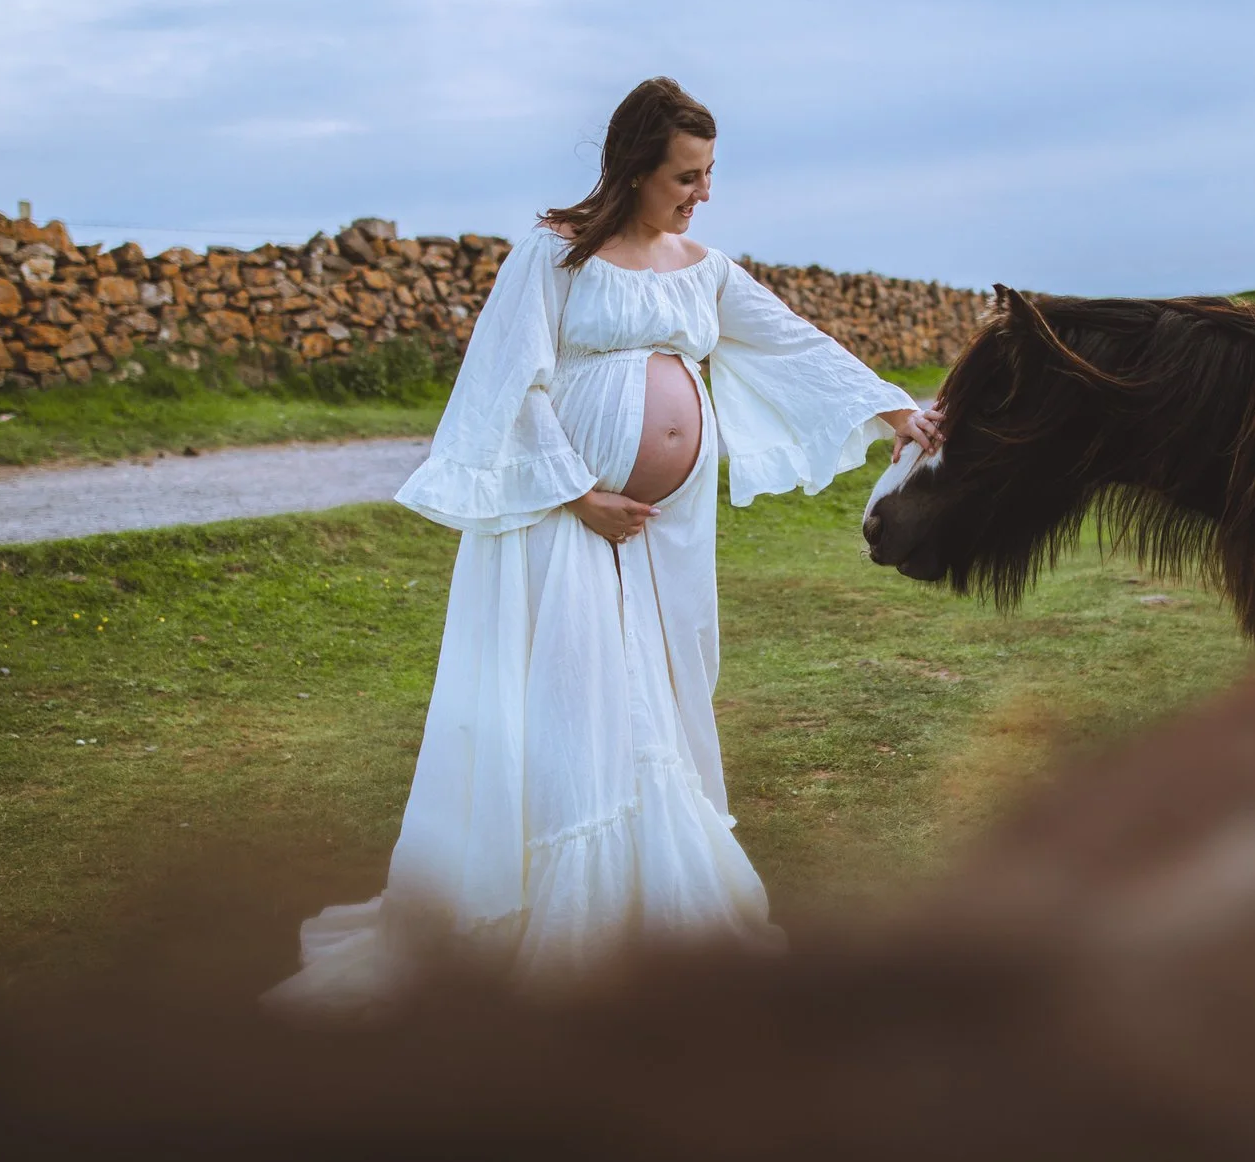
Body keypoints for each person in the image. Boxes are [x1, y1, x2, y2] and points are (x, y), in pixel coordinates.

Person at [266, 78, 942, 1011]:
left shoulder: (701, 266)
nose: (701, 193)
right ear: (635, 167)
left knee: (655, 694)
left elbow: (793, 342)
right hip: (567, 517)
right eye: (685, 175)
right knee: (578, 696)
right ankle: (565, 918)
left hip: (665, 532)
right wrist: (579, 491)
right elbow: (513, 384)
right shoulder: (554, 256)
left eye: (708, 175)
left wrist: (894, 406)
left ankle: (654, 909)